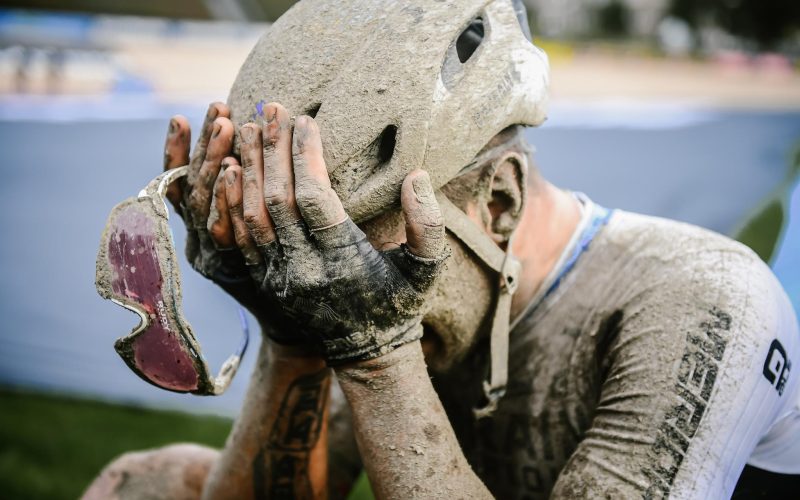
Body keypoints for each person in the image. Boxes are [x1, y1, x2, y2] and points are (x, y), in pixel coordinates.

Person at [84, 0, 800, 498]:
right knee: (144, 485)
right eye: (306, 263)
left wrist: (375, 353)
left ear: (499, 203)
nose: (331, 284)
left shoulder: (703, 297)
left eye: (357, 258)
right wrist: (289, 329)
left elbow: (372, 337)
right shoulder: (345, 290)